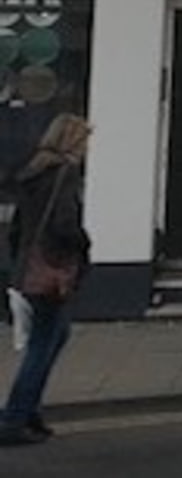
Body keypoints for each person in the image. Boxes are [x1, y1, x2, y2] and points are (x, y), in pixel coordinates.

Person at [0, 113, 90, 447]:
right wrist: (83, 244)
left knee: (54, 336)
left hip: (29, 267)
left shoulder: (34, 171)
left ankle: (28, 412)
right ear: (71, 140)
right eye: (83, 139)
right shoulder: (64, 174)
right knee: (43, 343)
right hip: (51, 270)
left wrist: (20, 261)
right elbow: (64, 225)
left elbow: (19, 227)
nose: (86, 147)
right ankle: (14, 418)